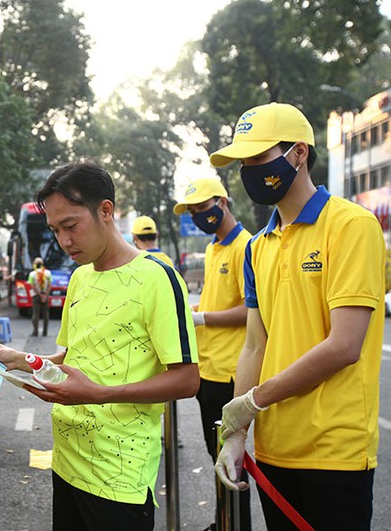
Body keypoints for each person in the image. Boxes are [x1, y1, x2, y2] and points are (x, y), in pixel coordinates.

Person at [0, 160, 199, 531]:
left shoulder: (158, 278)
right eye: (54, 230)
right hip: (66, 464)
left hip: (118, 478)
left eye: (71, 226)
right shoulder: (79, 278)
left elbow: (188, 380)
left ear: (105, 211)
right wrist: (18, 359)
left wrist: (98, 394)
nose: (63, 241)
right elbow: (69, 355)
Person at [210, 103, 385, 530]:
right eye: (243, 161)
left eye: (259, 157)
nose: (249, 169)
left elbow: (343, 346)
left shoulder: (351, 226)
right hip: (273, 450)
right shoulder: (258, 246)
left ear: (299, 153)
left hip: (335, 451)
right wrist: (236, 432)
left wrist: (253, 402)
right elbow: (255, 344)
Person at [172, 176, 252, 531]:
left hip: (230, 372)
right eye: (193, 212)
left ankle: (236, 525)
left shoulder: (246, 247)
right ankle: (224, 522)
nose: (198, 217)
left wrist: (202, 317)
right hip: (207, 369)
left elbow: (251, 311)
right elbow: (217, 300)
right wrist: (197, 311)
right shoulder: (213, 247)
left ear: (222, 202)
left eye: (203, 208)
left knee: (232, 460)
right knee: (215, 455)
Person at [28, 256, 52, 336]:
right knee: (46, 315)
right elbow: (49, 285)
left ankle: (35, 332)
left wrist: (40, 295)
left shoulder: (32, 274)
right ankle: (45, 332)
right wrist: (45, 296)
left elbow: (33, 286)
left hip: (36, 296)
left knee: (35, 314)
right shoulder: (48, 273)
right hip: (45, 296)